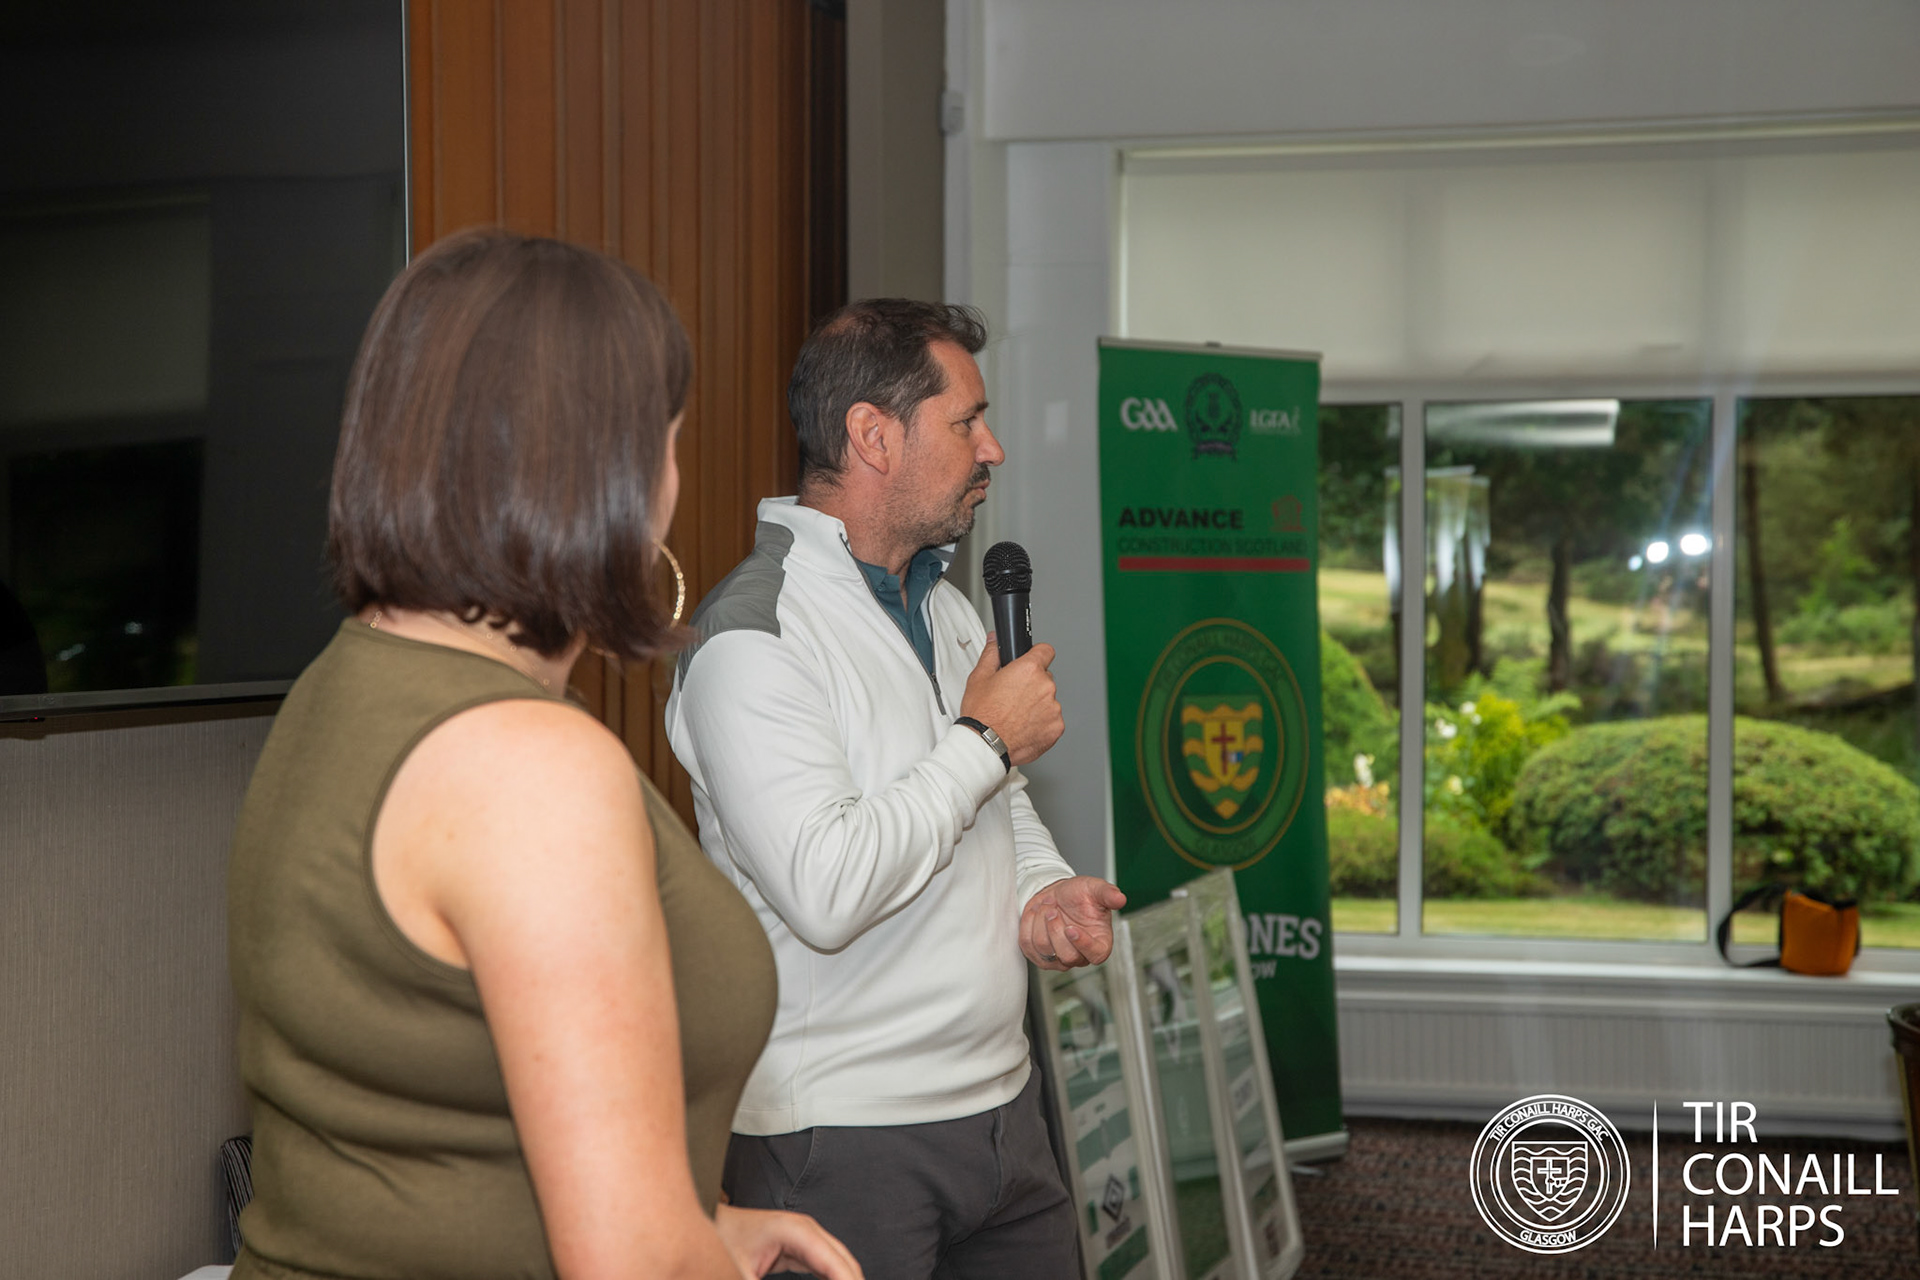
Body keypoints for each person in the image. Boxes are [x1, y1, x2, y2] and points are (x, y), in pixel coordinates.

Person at [227, 229, 860, 1280]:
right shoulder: (529, 767)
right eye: (668, 441)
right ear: (606, 474)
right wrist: (671, 1244)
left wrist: (701, 1222)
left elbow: (442, 1119)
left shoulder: (345, 682)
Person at [665, 298, 1128, 1278]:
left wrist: (1040, 887)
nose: (993, 447)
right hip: (840, 1137)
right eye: (967, 421)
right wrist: (986, 738)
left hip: (1004, 1110)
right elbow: (828, 888)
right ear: (873, 435)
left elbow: (993, 801)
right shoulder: (752, 636)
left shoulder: (944, 604)